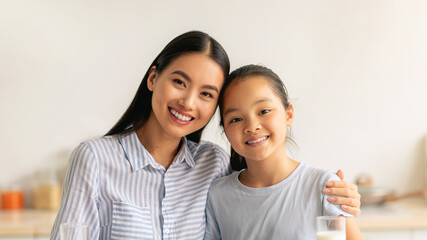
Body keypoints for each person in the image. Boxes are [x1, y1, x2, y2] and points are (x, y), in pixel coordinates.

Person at [50, 31, 361, 240]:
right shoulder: (94, 158)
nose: (188, 103)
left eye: (206, 94)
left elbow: (263, 190)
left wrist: (343, 198)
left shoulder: (212, 163)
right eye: (179, 82)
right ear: (154, 78)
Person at [204, 64, 364, 240]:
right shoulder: (217, 195)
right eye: (236, 119)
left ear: (288, 115)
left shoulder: (324, 187)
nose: (252, 126)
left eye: (264, 111)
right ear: (225, 130)